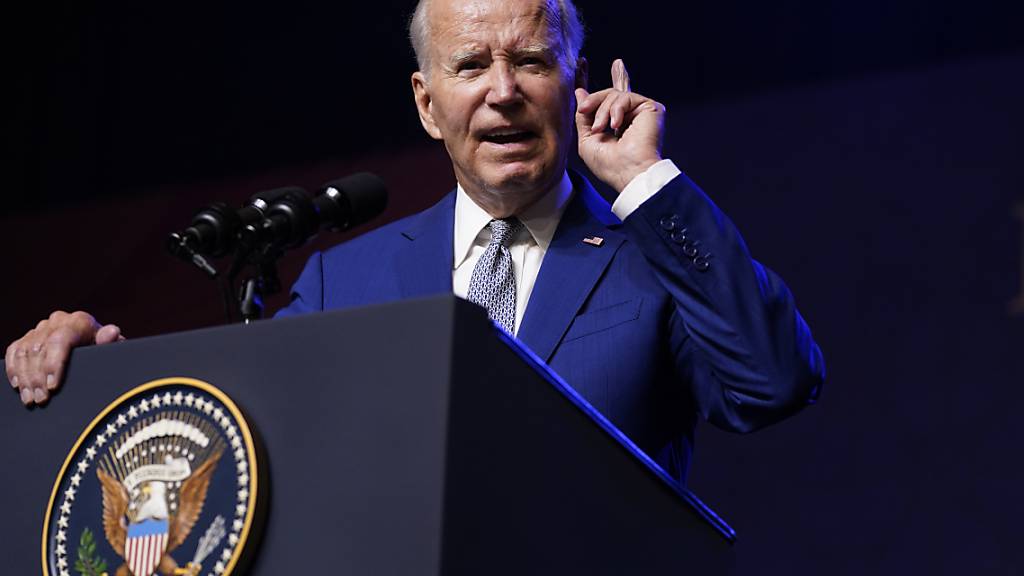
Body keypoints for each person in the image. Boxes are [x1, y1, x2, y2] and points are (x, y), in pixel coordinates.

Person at [6, 0, 824, 483]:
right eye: (471, 66)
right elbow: (238, 446)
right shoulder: (341, 280)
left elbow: (774, 383)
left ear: (575, 83)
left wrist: (645, 184)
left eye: (532, 61)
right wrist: (102, 373)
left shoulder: (653, 262)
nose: (503, 93)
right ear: (429, 105)